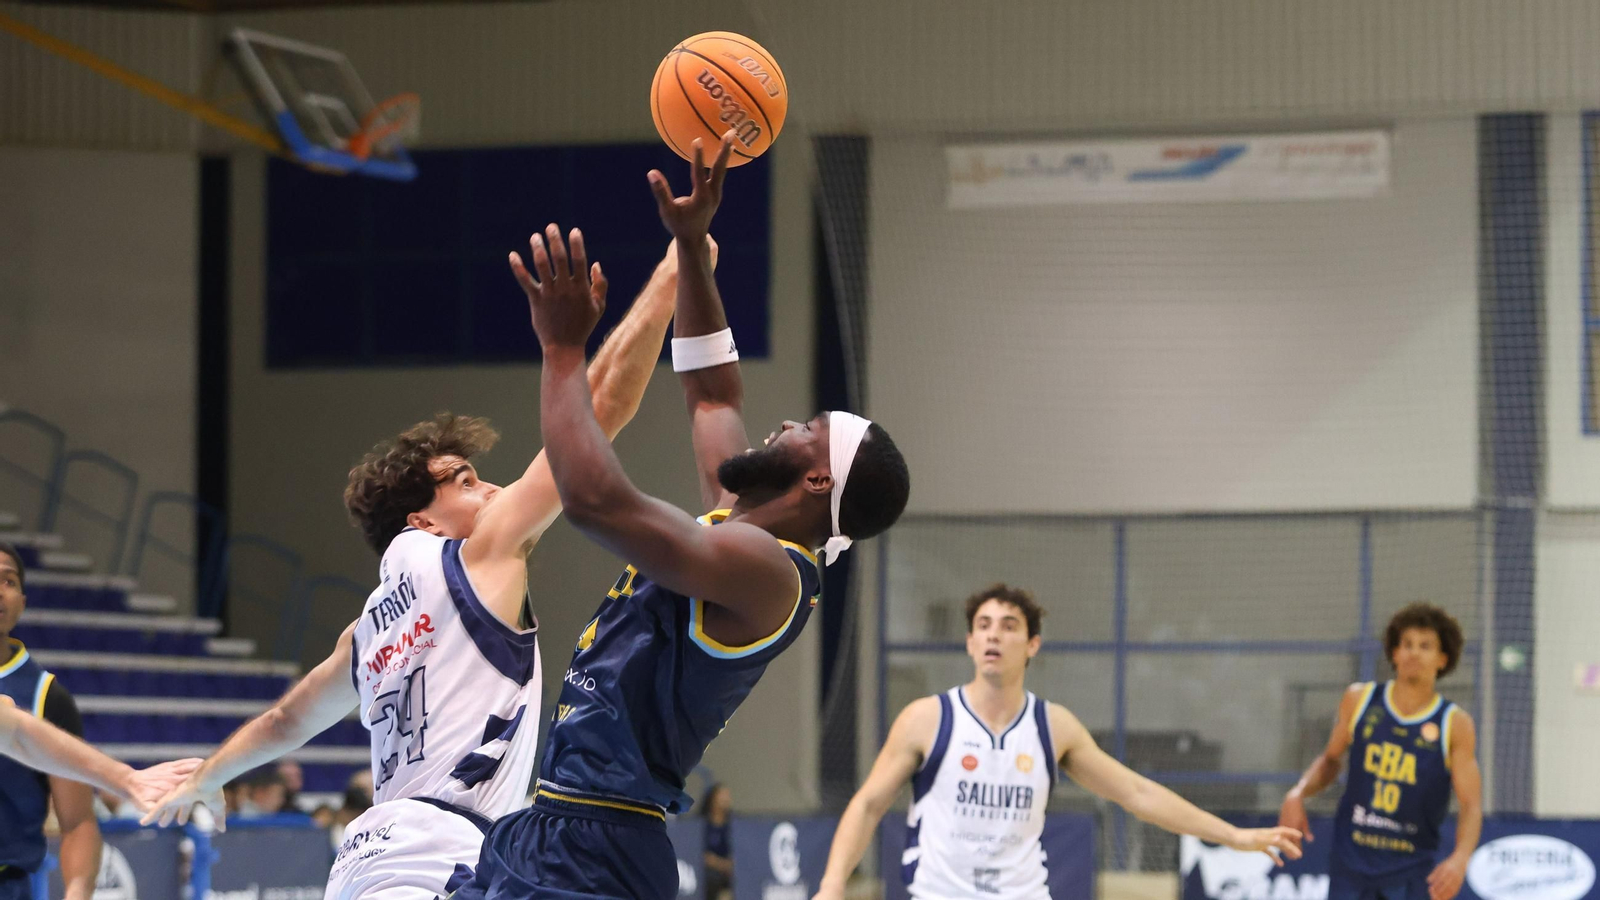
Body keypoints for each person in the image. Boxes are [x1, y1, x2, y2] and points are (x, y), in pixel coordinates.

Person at [143, 243, 693, 900]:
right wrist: (675, 270)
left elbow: (286, 721)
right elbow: (593, 416)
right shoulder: (479, 555)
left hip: (363, 863)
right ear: (422, 521)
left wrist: (208, 776)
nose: (492, 490)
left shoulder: (364, 633)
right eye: (466, 481)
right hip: (440, 857)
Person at [452, 131, 911, 900]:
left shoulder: (768, 572)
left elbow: (595, 501)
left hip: (598, 845)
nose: (784, 424)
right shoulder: (741, 525)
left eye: (805, 428)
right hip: (555, 823)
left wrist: (563, 355)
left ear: (817, 475)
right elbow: (712, 394)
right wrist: (693, 247)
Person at [814, 584, 1303, 900]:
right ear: (969, 643)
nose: (993, 636)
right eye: (983, 626)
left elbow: (1137, 793)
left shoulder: (1053, 726)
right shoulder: (927, 718)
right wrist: (833, 885)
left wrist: (1235, 836)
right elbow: (868, 804)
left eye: (1009, 626)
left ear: (1032, 645)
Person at [0, 543, 197, 899]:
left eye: (9, 581)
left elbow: (77, 820)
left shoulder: (45, 696)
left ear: (23, 602)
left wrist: (77, 890)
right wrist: (127, 779)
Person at [1279, 603, 1482, 900]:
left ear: (1443, 659)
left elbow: (1471, 804)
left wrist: (1461, 859)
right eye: (1407, 644)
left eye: (1425, 646)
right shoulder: (1359, 699)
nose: (1413, 653)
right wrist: (1298, 793)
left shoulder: (1455, 724)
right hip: (1351, 864)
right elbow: (1331, 760)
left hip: (1411, 869)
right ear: (1395, 653)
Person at [700, 784, 734, 900]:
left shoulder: (733, 824)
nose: (726, 799)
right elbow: (703, 855)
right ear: (712, 799)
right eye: (722, 795)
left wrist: (729, 865)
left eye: (727, 796)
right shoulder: (702, 824)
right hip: (710, 872)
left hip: (729, 871)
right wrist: (720, 864)